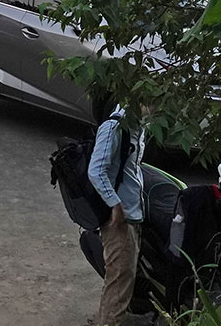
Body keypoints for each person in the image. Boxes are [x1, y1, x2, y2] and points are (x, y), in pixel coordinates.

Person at [89, 102, 148, 326]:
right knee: (120, 280)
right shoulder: (115, 127)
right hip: (119, 220)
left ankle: (104, 319)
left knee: (119, 278)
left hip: (132, 213)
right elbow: (96, 170)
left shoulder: (137, 126)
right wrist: (115, 204)